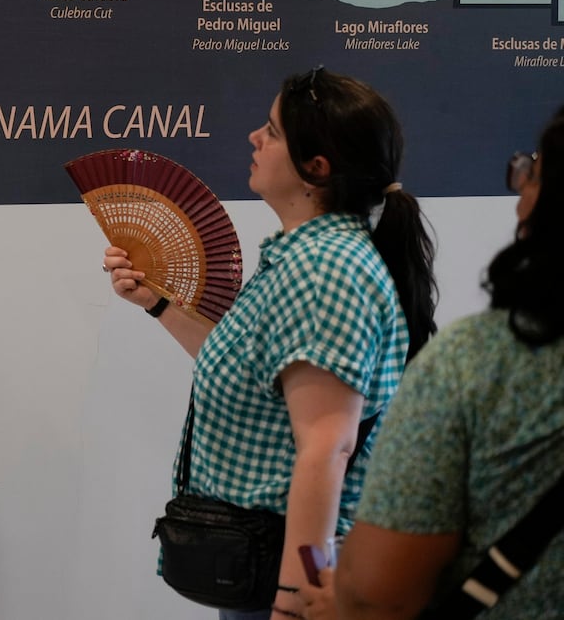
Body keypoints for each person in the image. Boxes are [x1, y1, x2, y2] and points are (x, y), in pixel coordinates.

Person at [104, 67, 438, 620]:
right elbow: (251, 368)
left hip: (280, 577)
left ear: (317, 168)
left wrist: (295, 600)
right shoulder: (299, 256)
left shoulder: (324, 270)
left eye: (273, 131)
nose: (254, 139)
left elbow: (327, 449)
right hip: (258, 565)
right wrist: (157, 303)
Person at [295, 107, 564, 619]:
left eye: (533, 172)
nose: (253, 140)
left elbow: (380, 594)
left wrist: (345, 601)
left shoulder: (477, 362)